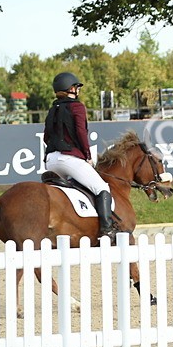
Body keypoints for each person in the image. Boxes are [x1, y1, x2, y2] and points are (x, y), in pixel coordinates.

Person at [43, 72, 117, 238]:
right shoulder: (77, 107)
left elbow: (46, 137)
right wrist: (87, 156)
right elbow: (81, 132)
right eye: (76, 87)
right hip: (69, 159)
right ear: (71, 89)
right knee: (102, 188)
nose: (78, 90)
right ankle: (107, 229)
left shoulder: (52, 109)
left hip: (50, 161)